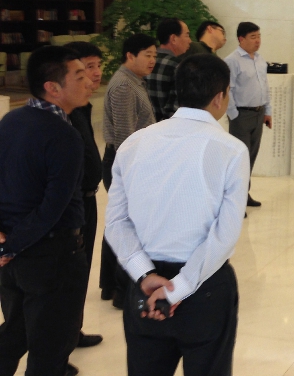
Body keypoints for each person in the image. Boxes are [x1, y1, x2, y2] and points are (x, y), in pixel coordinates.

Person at [106, 54, 249, 376]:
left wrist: (144, 275)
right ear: (220, 96)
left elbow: (115, 222)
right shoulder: (231, 149)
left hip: (144, 286)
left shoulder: (134, 143)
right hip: (203, 286)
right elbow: (224, 235)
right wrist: (178, 288)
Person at [0, 46, 93, 376]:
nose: (90, 82)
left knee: (15, 334)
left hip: (15, 258)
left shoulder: (11, 120)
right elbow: (54, 206)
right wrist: (11, 246)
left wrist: (7, 244)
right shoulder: (63, 134)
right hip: (52, 256)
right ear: (53, 87)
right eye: (79, 76)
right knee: (50, 352)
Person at [100, 33, 157, 308]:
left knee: (120, 223)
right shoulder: (124, 85)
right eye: (147, 55)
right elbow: (125, 137)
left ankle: (110, 286)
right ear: (130, 56)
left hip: (131, 160)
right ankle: (122, 292)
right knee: (128, 226)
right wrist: (136, 172)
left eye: (154, 55)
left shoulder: (134, 81)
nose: (153, 60)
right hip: (125, 162)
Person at [63, 41, 106, 349]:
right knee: (69, 274)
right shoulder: (64, 114)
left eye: (97, 66)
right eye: (88, 68)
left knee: (81, 270)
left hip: (88, 199)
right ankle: (61, 343)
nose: (96, 73)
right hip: (72, 205)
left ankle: (72, 331)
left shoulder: (82, 108)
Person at [225, 22, 272, 208]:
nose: (257, 40)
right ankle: (234, 201)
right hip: (241, 115)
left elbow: (265, 87)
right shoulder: (232, 60)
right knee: (240, 160)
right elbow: (228, 89)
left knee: (251, 157)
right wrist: (234, 115)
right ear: (241, 39)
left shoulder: (260, 60)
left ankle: (244, 194)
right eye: (253, 37)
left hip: (259, 114)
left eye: (259, 36)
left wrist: (267, 111)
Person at [146, 18, 192, 121]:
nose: (190, 40)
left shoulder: (144, 62)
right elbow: (176, 109)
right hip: (167, 127)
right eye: (187, 35)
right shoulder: (179, 66)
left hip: (143, 127)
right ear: (173, 38)